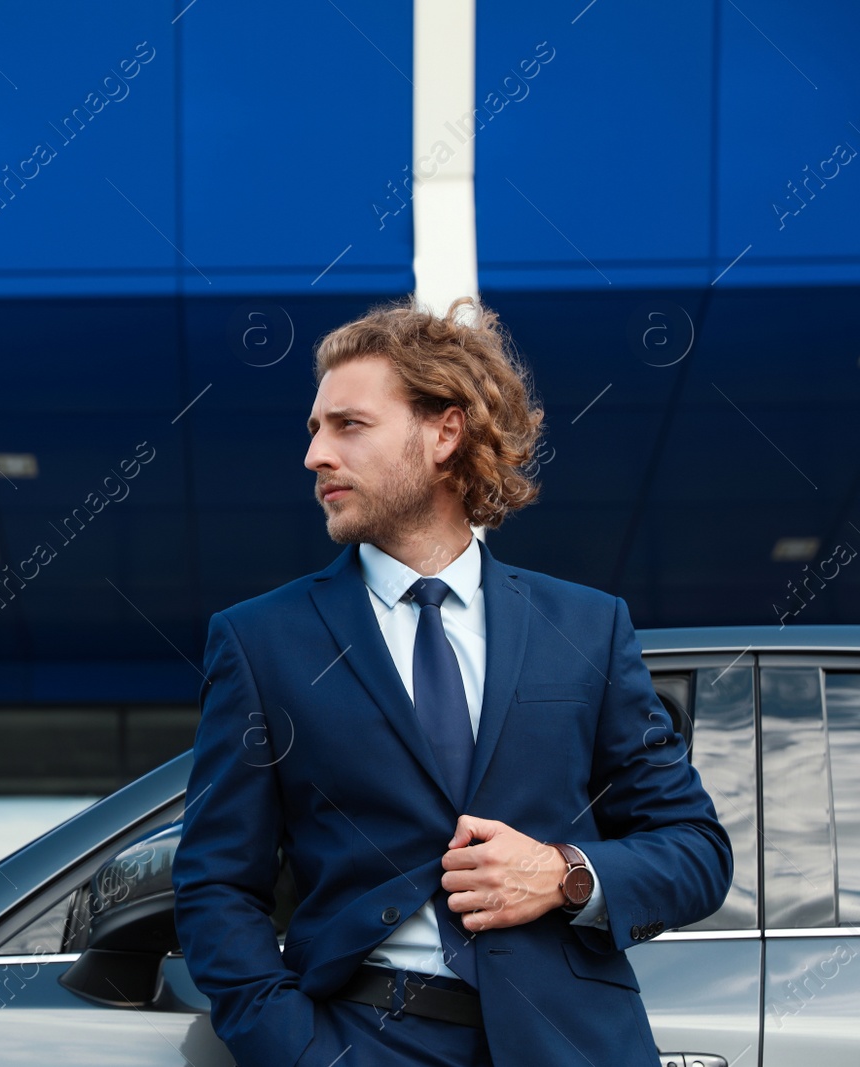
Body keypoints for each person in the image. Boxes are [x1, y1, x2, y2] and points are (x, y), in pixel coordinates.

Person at [170, 296, 731, 1067]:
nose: (316, 455)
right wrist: (297, 1049)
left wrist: (565, 872)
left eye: (349, 424)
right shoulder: (260, 642)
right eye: (314, 430)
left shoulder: (587, 626)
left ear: (444, 431)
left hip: (572, 1044)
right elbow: (215, 885)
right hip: (362, 1038)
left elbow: (696, 850)